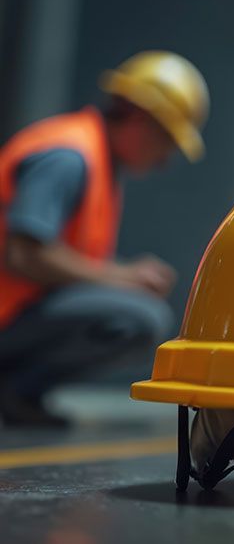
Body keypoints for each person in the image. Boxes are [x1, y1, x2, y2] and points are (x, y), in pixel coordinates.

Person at [0, 51, 209, 427]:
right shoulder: (68, 157)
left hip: (18, 310)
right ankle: (13, 390)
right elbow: (23, 255)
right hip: (8, 313)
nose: (164, 159)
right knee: (140, 316)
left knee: (133, 307)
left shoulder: (96, 159)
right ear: (141, 119)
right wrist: (121, 276)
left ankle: (16, 389)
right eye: (167, 141)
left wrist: (119, 274)